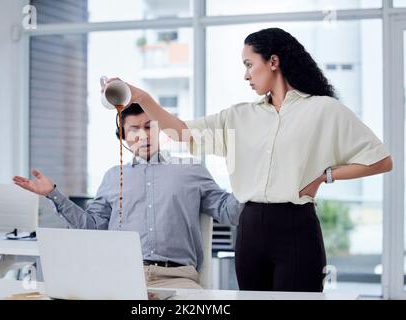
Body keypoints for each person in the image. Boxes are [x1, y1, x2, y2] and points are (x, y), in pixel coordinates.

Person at [106, 28, 393, 292]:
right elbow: (179, 132)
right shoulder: (239, 116)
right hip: (250, 229)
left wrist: (325, 176)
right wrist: (142, 98)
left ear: (273, 61)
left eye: (248, 64)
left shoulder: (324, 110)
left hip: (296, 227)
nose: (246, 75)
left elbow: (380, 160)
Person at [13, 103, 244, 289]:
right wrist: (53, 194)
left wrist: (251, 177)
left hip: (178, 279)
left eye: (149, 126)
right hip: (120, 278)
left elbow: (229, 212)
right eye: (134, 129)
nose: (143, 135)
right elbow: (92, 228)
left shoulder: (191, 170)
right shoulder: (113, 177)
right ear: (123, 136)